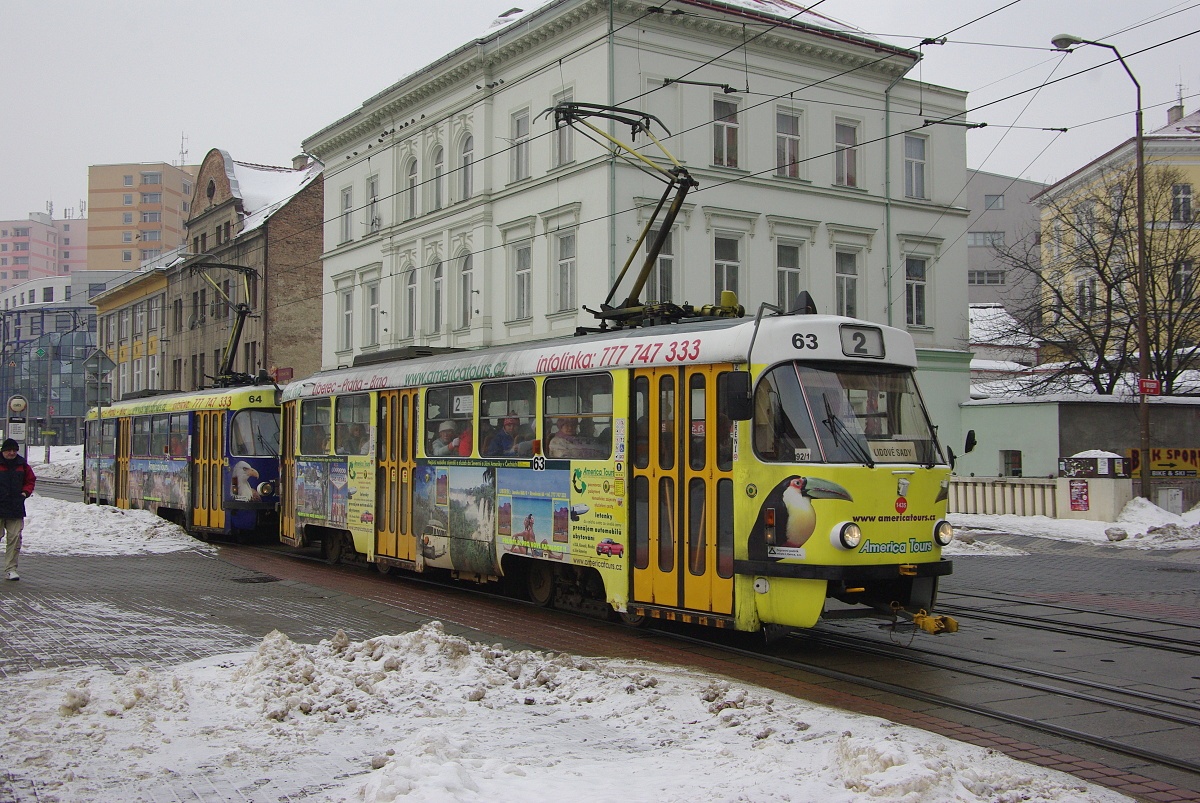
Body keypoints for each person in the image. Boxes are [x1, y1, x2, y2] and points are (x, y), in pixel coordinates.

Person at [0, 438, 36, 581]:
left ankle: (11, 569)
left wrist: (25, 493)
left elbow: (30, 480)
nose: (12, 453)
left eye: (14, 450)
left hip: (15, 507)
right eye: (9, 450)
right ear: (3, 451)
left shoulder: (23, 465)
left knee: (15, 539)